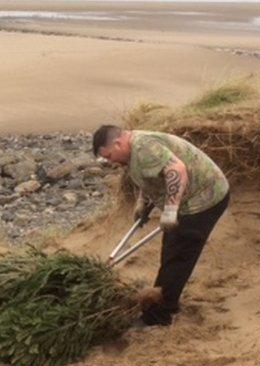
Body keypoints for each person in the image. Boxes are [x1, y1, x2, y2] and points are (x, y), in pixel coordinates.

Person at [93, 125, 230, 326]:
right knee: (171, 252)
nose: (110, 161)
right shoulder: (132, 151)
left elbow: (176, 170)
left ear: (118, 143)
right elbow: (151, 175)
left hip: (204, 199)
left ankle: (158, 317)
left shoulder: (144, 148)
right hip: (191, 198)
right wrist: (144, 203)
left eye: (110, 155)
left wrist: (170, 210)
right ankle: (168, 301)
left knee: (178, 255)